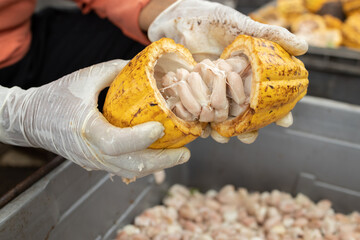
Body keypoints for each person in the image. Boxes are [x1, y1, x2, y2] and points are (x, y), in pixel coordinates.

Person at [0, 0, 307, 180]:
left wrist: (157, 10)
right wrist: (16, 113)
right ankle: (28, 150)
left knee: (143, 46)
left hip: (21, 36)